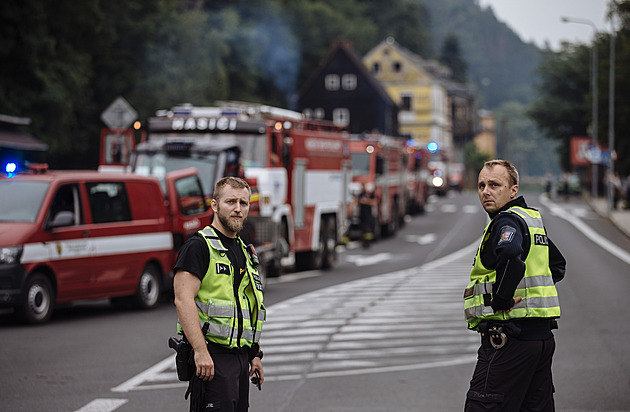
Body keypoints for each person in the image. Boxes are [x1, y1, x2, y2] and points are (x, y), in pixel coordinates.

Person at [463, 160, 566, 411]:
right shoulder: (530, 220)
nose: (486, 191)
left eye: (495, 185)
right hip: (540, 339)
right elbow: (557, 266)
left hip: (510, 339)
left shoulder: (505, 222)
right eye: (481, 185)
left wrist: (501, 300)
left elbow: (511, 254)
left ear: (513, 190)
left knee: (483, 405)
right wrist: (530, 295)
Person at [173, 176, 266, 412]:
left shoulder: (244, 251)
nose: (237, 209)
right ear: (214, 206)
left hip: (240, 359)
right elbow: (183, 300)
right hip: (212, 357)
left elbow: (247, 306)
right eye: (230, 202)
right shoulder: (198, 247)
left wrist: (254, 354)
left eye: (243, 203)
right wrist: (201, 351)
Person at [358, 183, 377, 247]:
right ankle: (364, 242)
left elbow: (374, 202)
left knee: (368, 230)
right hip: (362, 215)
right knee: (363, 230)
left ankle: (368, 242)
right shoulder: (361, 194)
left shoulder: (371, 194)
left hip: (369, 215)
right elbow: (358, 201)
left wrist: (366, 201)